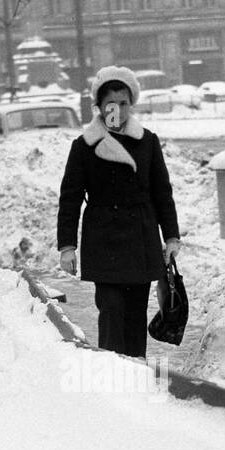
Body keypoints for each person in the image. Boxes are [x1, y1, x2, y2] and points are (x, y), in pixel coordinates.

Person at [57, 65, 182, 359]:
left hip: (141, 236)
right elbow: (70, 198)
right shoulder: (84, 146)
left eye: (123, 103)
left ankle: (136, 372)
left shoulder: (147, 141)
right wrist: (66, 246)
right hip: (103, 239)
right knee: (111, 309)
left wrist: (172, 237)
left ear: (131, 104)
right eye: (110, 104)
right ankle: (113, 373)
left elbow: (162, 192)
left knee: (136, 313)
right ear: (99, 107)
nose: (117, 110)